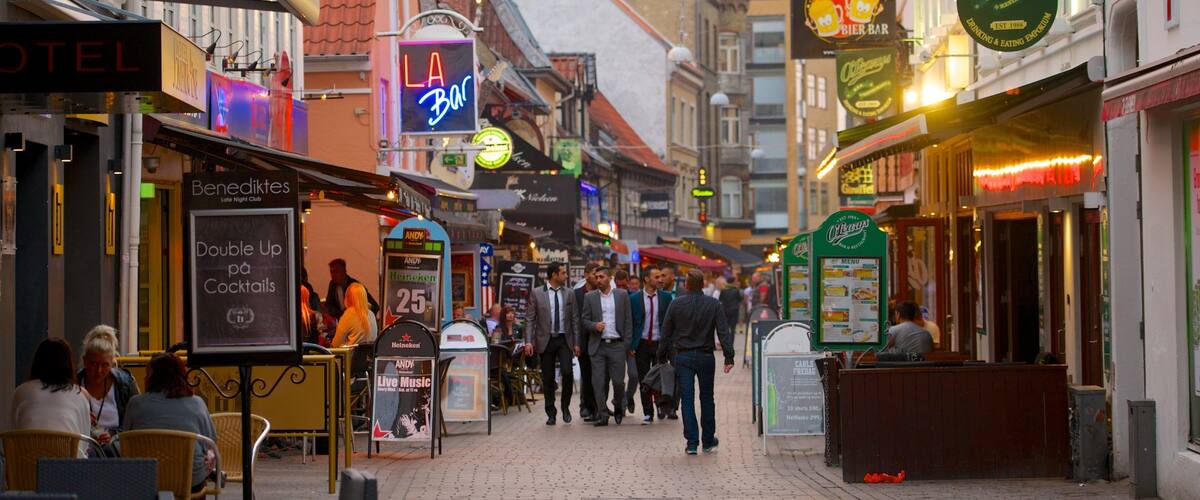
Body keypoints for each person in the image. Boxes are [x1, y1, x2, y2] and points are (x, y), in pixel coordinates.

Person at [658, 270, 736, 455]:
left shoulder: (676, 304)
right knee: (707, 398)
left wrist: (661, 356)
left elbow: (666, 333)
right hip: (706, 356)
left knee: (687, 399)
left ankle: (692, 442)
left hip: (683, 356)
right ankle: (708, 440)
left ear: (686, 285)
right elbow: (723, 331)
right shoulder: (714, 304)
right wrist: (728, 356)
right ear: (702, 285)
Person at [125, 352, 218, 494]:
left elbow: (126, 442)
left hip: (145, 481)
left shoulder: (135, 404)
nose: (144, 378)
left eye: (147, 374)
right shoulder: (197, 403)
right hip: (189, 482)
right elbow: (211, 443)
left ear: (154, 379)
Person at [10, 338, 91, 451]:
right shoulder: (80, 395)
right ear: (68, 364)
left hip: (27, 464)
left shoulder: (21, 391)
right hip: (67, 466)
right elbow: (84, 443)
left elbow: (14, 434)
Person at [524, 263, 579, 425]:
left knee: (568, 373)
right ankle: (551, 412)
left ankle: (565, 407)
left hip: (564, 340)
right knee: (547, 377)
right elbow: (530, 319)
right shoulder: (537, 293)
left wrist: (577, 343)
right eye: (563, 273)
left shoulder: (569, 293)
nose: (566, 276)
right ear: (554, 275)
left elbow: (575, 319)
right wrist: (528, 341)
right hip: (545, 340)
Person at [580, 266, 633, 426]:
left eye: (601, 277)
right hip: (598, 346)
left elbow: (628, 321)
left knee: (618, 382)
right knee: (598, 382)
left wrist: (626, 344)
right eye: (596, 277)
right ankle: (603, 414)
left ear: (610, 278)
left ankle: (618, 406)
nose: (598, 280)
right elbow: (584, 320)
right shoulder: (589, 297)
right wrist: (594, 325)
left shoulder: (622, 295)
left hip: (617, 345)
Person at [76, 326, 139, 445]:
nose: (98, 370)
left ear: (112, 363)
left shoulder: (125, 384)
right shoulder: (73, 384)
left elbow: (137, 422)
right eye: (93, 364)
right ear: (84, 361)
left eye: (105, 365)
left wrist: (113, 435)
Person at [630, 266, 674, 423]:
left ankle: (660, 405)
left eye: (661, 276)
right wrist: (631, 346)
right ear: (647, 279)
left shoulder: (666, 298)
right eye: (657, 277)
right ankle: (648, 412)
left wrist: (669, 345)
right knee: (644, 380)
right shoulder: (634, 299)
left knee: (661, 378)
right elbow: (631, 323)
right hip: (641, 344)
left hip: (659, 344)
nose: (661, 279)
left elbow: (670, 323)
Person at [573, 262, 600, 421]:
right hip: (583, 341)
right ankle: (588, 406)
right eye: (594, 274)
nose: (597, 277)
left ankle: (598, 406)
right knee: (587, 374)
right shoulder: (576, 294)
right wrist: (576, 342)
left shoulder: (601, 292)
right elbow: (574, 320)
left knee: (600, 376)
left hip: (599, 340)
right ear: (586, 275)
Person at [331, 283, 378, 347]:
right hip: (370, 356)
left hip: (352, 356)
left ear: (348, 298)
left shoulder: (348, 315)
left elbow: (336, 344)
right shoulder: (371, 314)